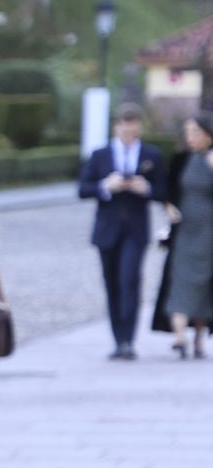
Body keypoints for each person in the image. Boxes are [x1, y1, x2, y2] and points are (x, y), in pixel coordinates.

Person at [79, 103, 167, 360]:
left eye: (134, 129)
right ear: (117, 127)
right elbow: (83, 189)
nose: (129, 133)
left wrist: (146, 188)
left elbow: (163, 190)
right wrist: (106, 186)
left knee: (129, 280)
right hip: (107, 229)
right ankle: (118, 339)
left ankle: (128, 339)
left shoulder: (152, 155)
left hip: (135, 230)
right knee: (112, 283)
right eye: (125, 128)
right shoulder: (100, 155)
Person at [156, 112, 213, 359]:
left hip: (209, 231)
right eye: (188, 132)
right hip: (185, 230)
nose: (191, 137)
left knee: (203, 284)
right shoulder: (180, 159)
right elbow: (166, 190)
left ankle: (199, 337)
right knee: (180, 279)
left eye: (196, 133)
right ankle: (180, 337)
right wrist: (169, 207)